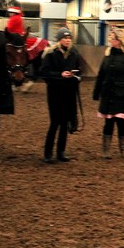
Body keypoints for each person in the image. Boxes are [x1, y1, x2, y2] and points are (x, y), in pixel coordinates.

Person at [38, 27, 83, 163]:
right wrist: (60, 75)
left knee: (65, 123)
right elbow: (44, 73)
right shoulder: (51, 54)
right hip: (55, 93)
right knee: (55, 122)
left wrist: (75, 76)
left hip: (69, 93)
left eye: (69, 38)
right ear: (59, 40)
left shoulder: (74, 54)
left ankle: (61, 152)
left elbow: (80, 71)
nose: (68, 40)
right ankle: (48, 153)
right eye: (65, 38)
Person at [93, 27, 124, 159]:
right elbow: (101, 75)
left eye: (112, 38)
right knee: (108, 122)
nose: (110, 40)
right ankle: (105, 150)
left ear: (119, 40)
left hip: (122, 95)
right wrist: (96, 91)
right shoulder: (107, 56)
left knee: (121, 122)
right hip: (108, 94)